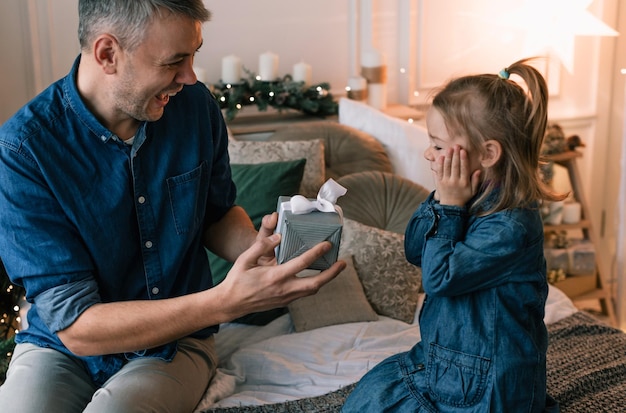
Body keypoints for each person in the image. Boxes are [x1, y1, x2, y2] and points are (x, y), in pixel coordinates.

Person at [0, 1, 345, 412]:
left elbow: (216, 213)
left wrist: (259, 251)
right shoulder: (24, 150)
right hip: (61, 348)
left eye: (193, 54)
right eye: (174, 62)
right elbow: (77, 326)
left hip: (178, 342)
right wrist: (225, 301)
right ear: (107, 53)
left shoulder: (197, 107)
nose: (190, 77)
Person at [342, 58, 564, 412]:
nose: (428, 153)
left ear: (489, 154)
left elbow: (438, 277)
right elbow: (415, 249)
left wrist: (449, 207)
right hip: (449, 360)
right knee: (370, 398)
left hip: (493, 381)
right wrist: (442, 201)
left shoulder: (511, 227)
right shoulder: (465, 202)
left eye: (439, 145)